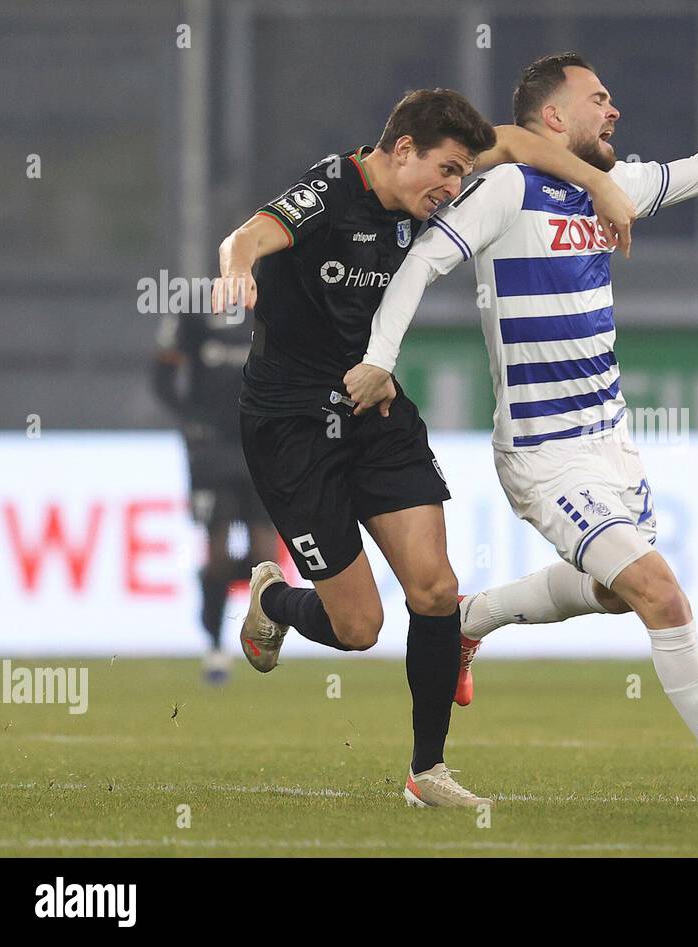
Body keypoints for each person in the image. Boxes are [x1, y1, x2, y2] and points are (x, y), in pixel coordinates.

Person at [344, 44, 698, 811]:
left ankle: (474, 621)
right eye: (599, 97)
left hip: (613, 448)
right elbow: (422, 263)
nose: (615, 109)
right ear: (555, 115)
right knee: (662, 594)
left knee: (615, 591)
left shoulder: (609, 188)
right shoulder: (503, 188)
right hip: (545, 455)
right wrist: (378, 357)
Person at [214, 86, 637, 808]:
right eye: (444, 171)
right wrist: (236, 268)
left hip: (373, 405)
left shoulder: (435, 180)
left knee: (437, 589)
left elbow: (520, 142)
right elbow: (247, 235)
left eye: (461, 177)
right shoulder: (330, 191)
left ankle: (427, 771)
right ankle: (272, 598)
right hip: (289, 424)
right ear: (401, 150)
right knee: (359, 626)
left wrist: (598, 180)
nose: (452, 190)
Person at [153, 307, 280, 685]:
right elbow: (161, 376)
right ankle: (214, 644)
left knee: (264, 555)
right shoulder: (192, 317)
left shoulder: (270, 311)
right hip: (211, 455)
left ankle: (259, 637)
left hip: (260, 447)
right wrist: (190, 420)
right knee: (220, 552)